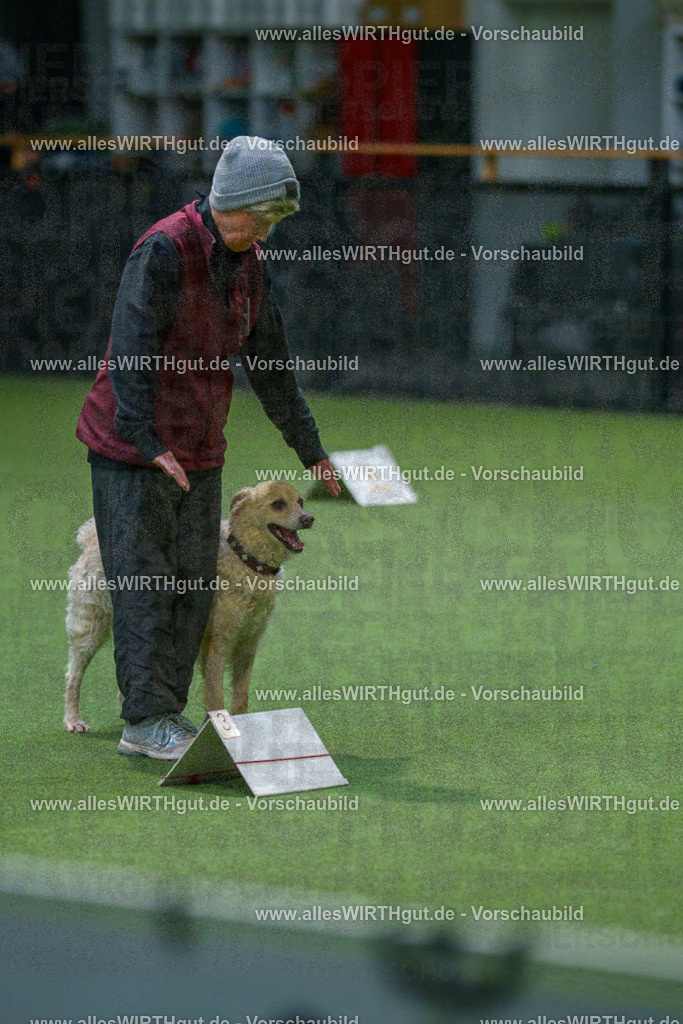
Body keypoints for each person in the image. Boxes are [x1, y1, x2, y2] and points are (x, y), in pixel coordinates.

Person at [75, 136, 341, 760]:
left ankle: (163, 715)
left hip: (198, 449)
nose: (268, 233)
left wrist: (311, 450)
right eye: (263, 218)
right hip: (130, 449)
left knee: (193, 586)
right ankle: (146, 721)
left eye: (277, 221)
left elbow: (271, 366)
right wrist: (144, 439)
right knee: (144, 586)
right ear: (230, 203)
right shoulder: (163, 249)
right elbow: (131, 346)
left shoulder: (249, 265)